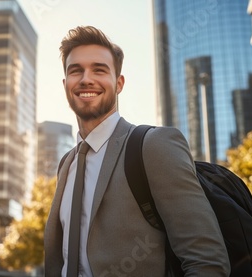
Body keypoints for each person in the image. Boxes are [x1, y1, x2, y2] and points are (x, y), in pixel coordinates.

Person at [44, 25, 230, 277]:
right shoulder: (67, 163)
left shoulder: (154, 146)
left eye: (99, 69)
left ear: (119, 83)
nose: (86, 78)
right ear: (66, 84)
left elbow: (207, 261)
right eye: (76, 71)